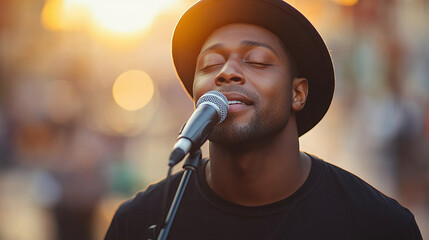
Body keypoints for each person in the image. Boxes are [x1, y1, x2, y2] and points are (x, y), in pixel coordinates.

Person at [105, 0, 423, 239]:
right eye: (210, 64)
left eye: (256, 61)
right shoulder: (137, 222)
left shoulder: (379, 225)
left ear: (297, 94)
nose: (226, 72)